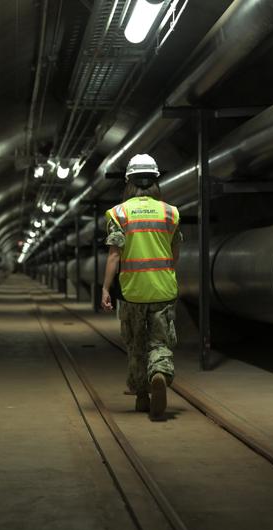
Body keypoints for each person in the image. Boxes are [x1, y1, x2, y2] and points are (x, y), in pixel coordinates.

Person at [101, 153, 182, 422]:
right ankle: (158, 374)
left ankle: (141, 396)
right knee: (159, 342)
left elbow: (114, 255)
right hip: (162, 289)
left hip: (133, 291)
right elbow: (175, 252)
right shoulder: (170, 213)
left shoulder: (119, 213)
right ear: (156, 180)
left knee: (136, 344)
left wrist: (105, 289)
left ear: (128, 182)